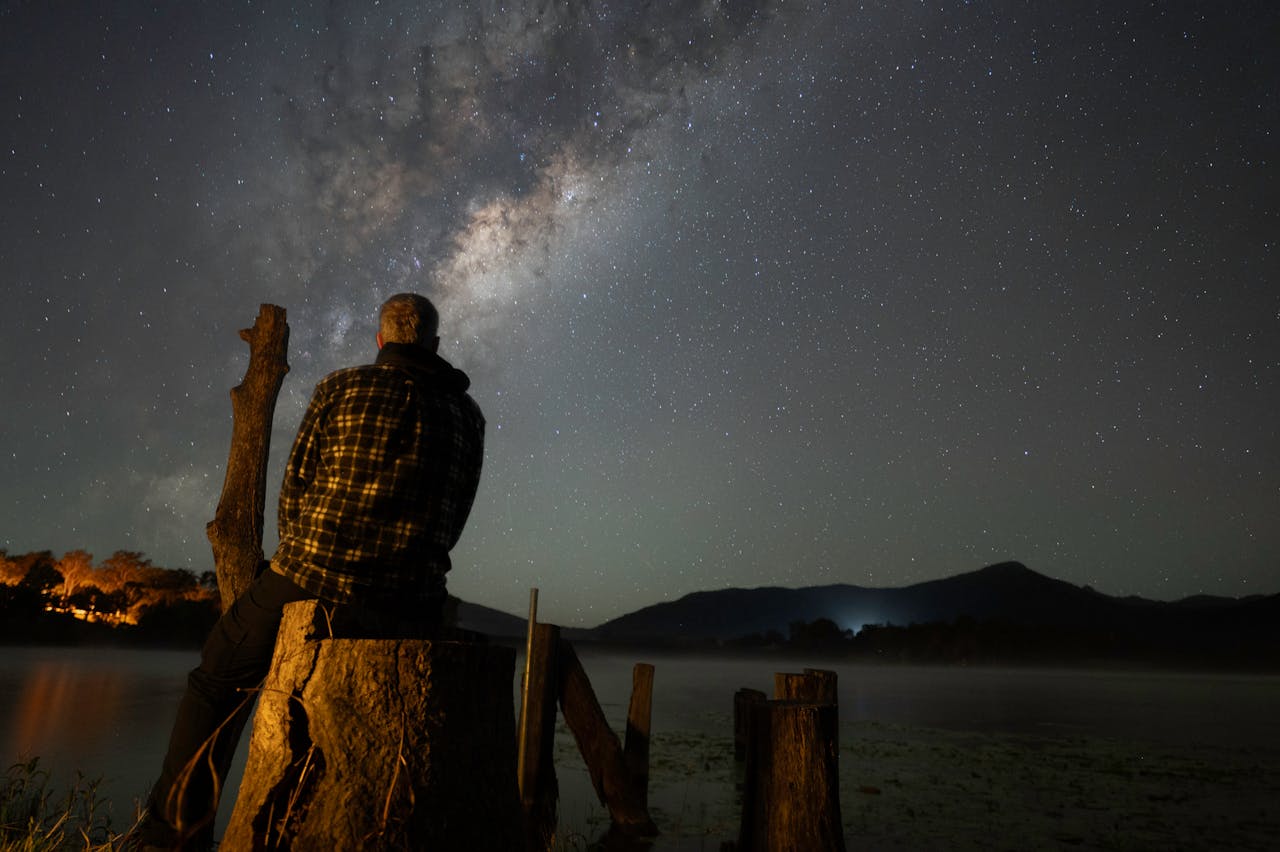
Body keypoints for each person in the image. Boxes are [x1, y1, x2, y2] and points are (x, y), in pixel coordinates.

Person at [134, 293, 485, 849]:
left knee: (216, 677)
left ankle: (171, 834)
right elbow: (458, 511)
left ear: (380, 340)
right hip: (414, 593)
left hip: (315, 570)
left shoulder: (342, 386)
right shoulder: (469, 415)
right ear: (435, 345)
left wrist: (305, 554)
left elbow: (295, 487)